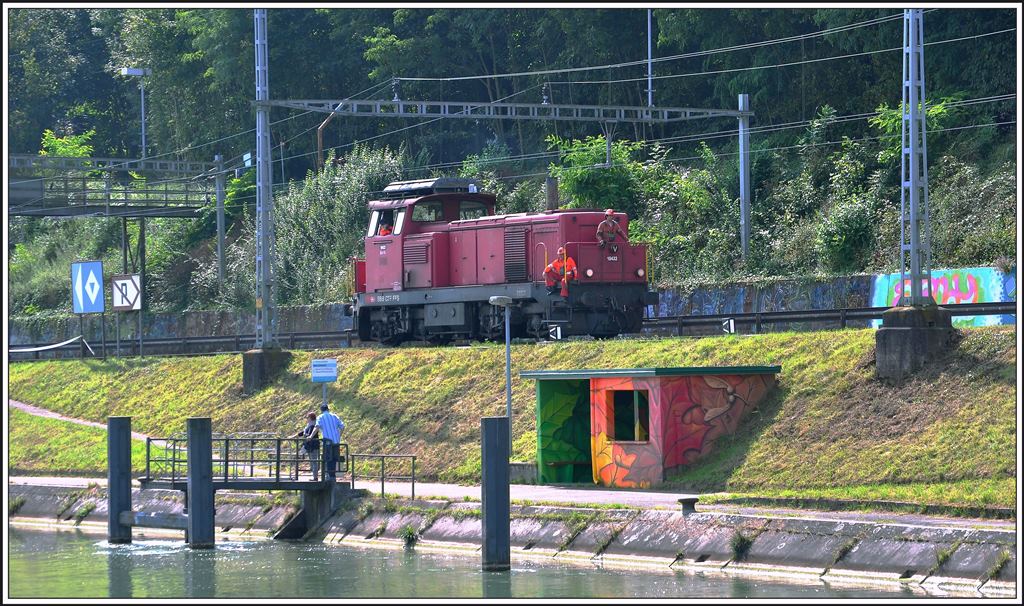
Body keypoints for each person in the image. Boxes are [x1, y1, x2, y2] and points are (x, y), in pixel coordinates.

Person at [315, 402, 345, 481]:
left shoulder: (320, 417)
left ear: (321, 410)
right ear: (328, 409)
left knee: (328, 458)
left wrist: (311, 436)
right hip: (336, 441)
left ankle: (329, 476)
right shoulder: (334, 416)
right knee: (334, 458)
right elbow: (342, 426)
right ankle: (333, 476)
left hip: (328, 442)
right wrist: (339, 435)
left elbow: (317, 427)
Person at [291, 411, 320, 480]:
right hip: (309, 445)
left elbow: (309, 434)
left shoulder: (314, 425)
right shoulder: (309, 425)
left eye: (307, 417)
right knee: (312, 461)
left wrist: (305, 436)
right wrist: (294, 436)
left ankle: (315, 477)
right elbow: (303, 433)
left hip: (313, 446)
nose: (307, 418)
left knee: (314, 461)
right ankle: (314, 476)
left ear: (310, 418)